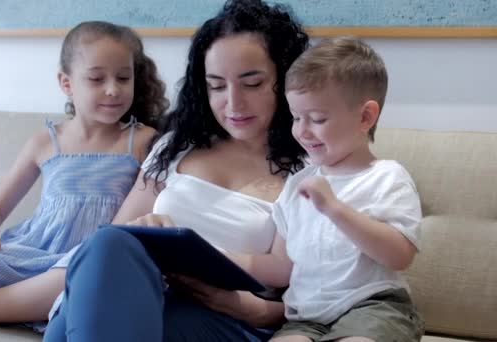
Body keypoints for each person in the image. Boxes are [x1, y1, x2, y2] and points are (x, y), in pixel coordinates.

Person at [42, 0, 309, 341]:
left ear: (285, 78)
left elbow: (321, 297)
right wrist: (145, 230)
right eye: (216, 86)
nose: (233, 102)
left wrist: (249, 308)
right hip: (149, 294)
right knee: (109, 242)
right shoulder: (177, 147)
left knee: (79, 324)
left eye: (252, 83)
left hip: (230, 320)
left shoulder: (312, 168)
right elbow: (114, 240)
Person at [0, 21, 168, 329]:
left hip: (82, 260)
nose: (113, 89)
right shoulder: (45, 141)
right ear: (66, 83)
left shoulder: (143, 140)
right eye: (97, 78)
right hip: (29, 251)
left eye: (123, 78)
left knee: (74, 291)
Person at [269, 36, 424, 342]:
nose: (302, 130)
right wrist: (213, 256)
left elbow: (400, 256)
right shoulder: (298, 183)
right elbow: (279, 266)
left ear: (365, 117)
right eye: (296, 117)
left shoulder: (387, 178)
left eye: (317, 118)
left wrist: (335, 209)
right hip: (306, 318)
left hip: (374, 308)